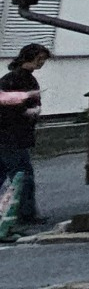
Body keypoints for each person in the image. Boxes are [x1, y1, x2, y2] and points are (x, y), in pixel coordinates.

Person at [0, 43, 50, 232]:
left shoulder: (15, 78)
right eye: (40, 58)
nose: (42, 62)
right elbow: (10, 106)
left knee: (5, 172)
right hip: (12, 135)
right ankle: (25, 214)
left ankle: (24, 213)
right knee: (23, 174)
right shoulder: (18, 79)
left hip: (9, 134)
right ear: (29, 57)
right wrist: (29, 111)